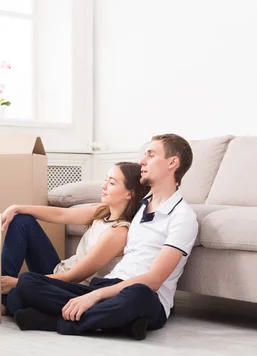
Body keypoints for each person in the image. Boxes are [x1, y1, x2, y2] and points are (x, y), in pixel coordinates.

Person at [10, 134, 198, 341]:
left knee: (138, 294)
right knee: (27, 282)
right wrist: (96, 292)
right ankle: (118, 324)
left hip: (145, 298)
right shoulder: (140, 205)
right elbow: (68, 214)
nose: (142, 161)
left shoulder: (183, 218)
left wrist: (93, 296)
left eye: (151, 155)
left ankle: (58, 322)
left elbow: (153, 281)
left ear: (173, 163)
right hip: (108, 286)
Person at [0, 161, 149, 316]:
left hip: (69, 287)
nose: (103, 186)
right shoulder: (103, 211)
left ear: (129, 193)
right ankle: (2, 298)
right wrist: (16, 208)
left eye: (111, 183)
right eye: (106, 180)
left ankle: (10, 298)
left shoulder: (118, 233)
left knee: (18, 296)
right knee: (22, 221)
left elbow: (74, 277)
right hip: (57, 270)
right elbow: (61, 214)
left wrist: (17, 283)